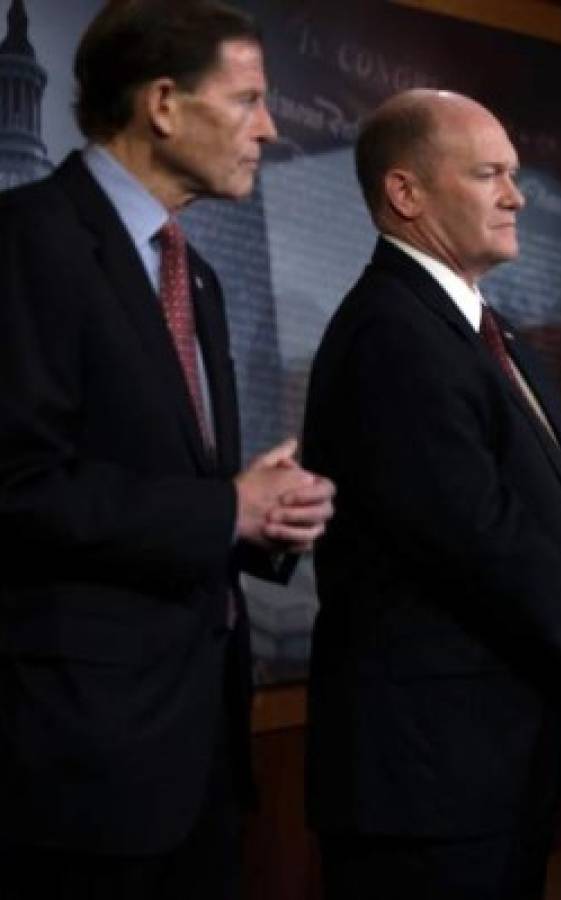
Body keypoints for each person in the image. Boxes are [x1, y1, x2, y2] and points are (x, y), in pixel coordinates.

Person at [0, 2, 336, 898]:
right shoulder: (27, 241)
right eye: (249, 99)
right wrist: (227, 505)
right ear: (162, 104)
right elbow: (18, 489)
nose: (270, 127)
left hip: (199, 757)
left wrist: (265, 520)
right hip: (77, 766)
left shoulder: (199, 275)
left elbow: (177, 490)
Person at [302, 88, 561, 900]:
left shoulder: (480, 325)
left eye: (515, 174)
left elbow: (537, 503)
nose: (517, 196)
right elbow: (472, 530)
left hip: (486, 749)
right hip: (423, 771)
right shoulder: (392, 332)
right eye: (490, 175)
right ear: (406, 194)